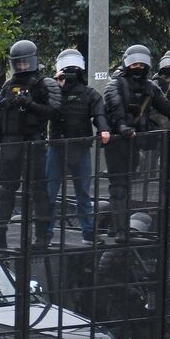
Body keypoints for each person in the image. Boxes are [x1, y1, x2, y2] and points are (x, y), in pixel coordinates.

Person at [102, 45, 170, 240]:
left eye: (141, 64)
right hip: (117, 142)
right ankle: (120, 231)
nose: (137, 67)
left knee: (127, 184)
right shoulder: (115, 85)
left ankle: (116, 226)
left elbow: (166, 107)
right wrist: (122, 127)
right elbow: (115, 108)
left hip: (135, 140)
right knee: (119, 185)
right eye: (134, 64)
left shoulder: (149, 87)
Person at [0, 39, 61, 248]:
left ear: (33, 61)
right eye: (18, 63)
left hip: (34, 143)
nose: (21, 66)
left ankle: (42, 237)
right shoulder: (7, 86)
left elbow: (54, 112)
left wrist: (31, 105)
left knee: (39, 191)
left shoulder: (45, 84)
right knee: (5, 191)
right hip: (10, 144)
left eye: (24, 63)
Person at [45, 49, 108, 244]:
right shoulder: (53, 91)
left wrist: (104, 129)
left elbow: (99, 114)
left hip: (80, 148)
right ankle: (45, 234)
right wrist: (55, 87)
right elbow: (44, 109)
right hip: (57, 148)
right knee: (50, 193)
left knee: (83, 194)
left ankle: (88, 233)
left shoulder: (89, 94)